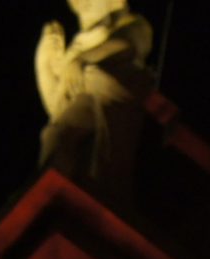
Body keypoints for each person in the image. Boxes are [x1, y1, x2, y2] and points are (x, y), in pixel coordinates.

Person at [36, 1, 156, 203]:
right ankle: (47, 199)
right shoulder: (78, 46)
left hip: (108, 90)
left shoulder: (132, 22)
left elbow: (128, 44)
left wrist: (84, 59)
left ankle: (88, 202)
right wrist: (44, 62)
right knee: (55, 135)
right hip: (86, 97)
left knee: (94, 157)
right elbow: (58, 106)